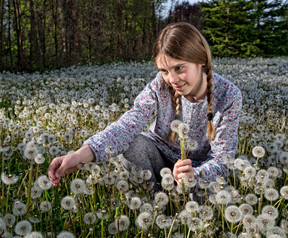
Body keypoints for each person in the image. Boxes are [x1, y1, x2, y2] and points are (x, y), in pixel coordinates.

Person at [48, 22, 242, 190]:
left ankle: (180, 201)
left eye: (179, 68)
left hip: (198, 170)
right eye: (164, 70)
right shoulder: (160, 84)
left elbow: (222, 160)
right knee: (132, 143)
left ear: (201, 60)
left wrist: (194, 176)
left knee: (213, 194)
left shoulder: (228, 95)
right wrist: (80, 155)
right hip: (158, 159)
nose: (172, 79)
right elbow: (127, 125)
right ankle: (154, 205)